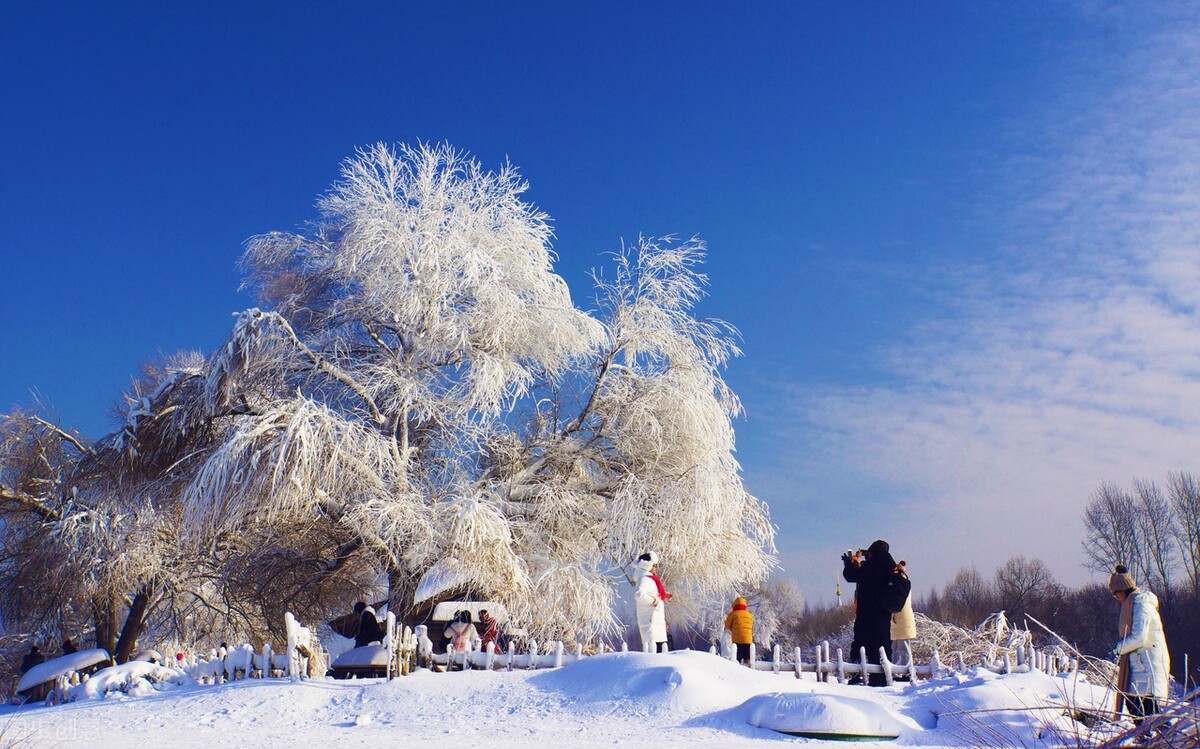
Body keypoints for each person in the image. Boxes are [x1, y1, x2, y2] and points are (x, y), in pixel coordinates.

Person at [1108, 564, 1169, 725]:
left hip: (1148, 663)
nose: (1115, 597)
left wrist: (1118, 649)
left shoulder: (1140, 604)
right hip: (1139, 664)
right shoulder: (1132, 604)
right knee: (1135, 703)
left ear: (1123, 589)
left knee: (1146, 708)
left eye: (1115, 593)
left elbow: (1139, 637)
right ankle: (1148, 737)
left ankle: (1162, 739)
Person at [842, 539, 899, 686]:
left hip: (867, 613)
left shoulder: (874, 565)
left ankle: (857, 673)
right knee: (882, 645)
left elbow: (852, 576)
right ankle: (881, 678)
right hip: (884, 613)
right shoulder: (890, 565)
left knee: (861, 642)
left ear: (873, 552)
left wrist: (850, 563)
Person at [634, 552, 672, 653]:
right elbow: (639, 594)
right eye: (654, 565)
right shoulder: (645, 579)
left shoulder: (650, 579)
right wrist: (654, 600)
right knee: (655, 653)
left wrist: (664, 595)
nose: (656, 568)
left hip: (656, 623)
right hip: (651, 623)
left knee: (659, 651)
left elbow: (651, 593)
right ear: (647, 565)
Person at [890, 561, 916, 670]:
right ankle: (896, 669)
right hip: (898, 620)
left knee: (902, 647)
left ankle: (905, 670)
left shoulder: (901, 585)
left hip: (900, 619)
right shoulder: (904, 585)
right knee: (896, 647)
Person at [724, 596, 754, 665]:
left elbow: (727, 626)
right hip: (748, 640)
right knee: (748, 659)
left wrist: (732, 628)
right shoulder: (749, 615)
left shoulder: (733, 614)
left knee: (737, 660)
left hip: (737, 640)